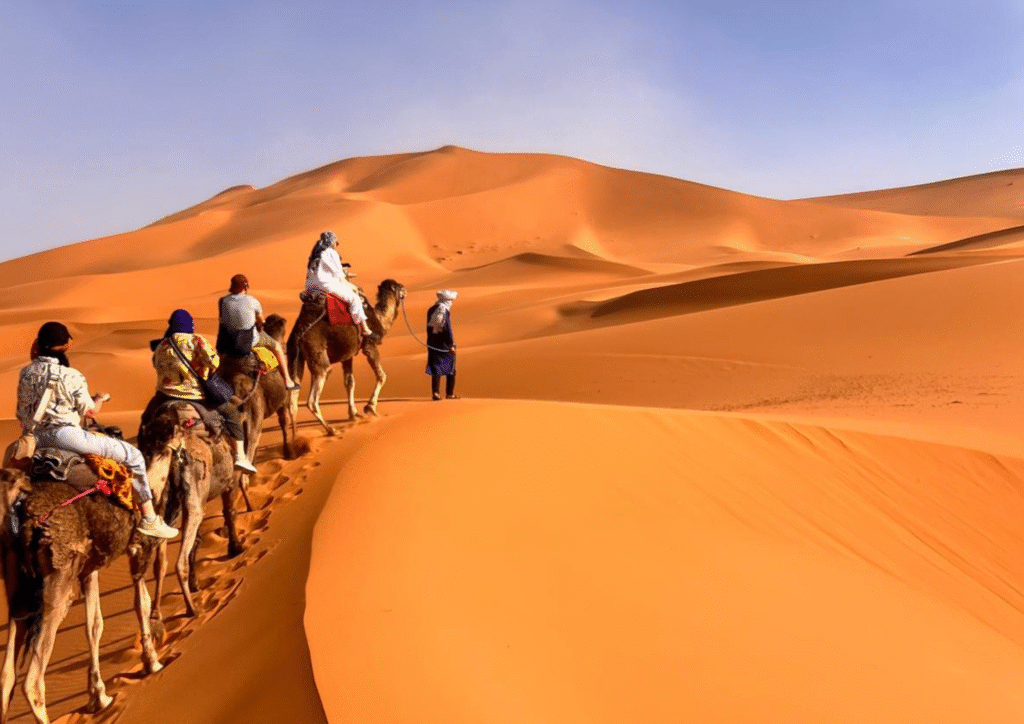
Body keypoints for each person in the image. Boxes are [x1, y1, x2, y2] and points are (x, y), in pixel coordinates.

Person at [16, 322, 178, 539]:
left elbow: (23, 410)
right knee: (134, 456)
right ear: (67, 345)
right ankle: (149, 518)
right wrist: (99, 399)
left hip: (34, 439)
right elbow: (90, 411)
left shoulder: (26, 373)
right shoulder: (71, 375)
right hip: (66, 436)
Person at [145, 309, 257, 473]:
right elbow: (214, 363)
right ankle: (241, 457)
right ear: (189, 324)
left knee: (146, 420)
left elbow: (156, 364)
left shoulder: (162, 345)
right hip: (195, 396)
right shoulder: (196, 341)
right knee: (231, 413)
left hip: (165, 396)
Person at [218, 273, 300, 390]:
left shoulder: (224, 302)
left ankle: (217, 378)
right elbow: (261, 321)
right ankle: (287, 380)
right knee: (277, 347)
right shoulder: (252, 301)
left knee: (220, 360)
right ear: (245, 287)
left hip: (229, 342)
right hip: (249, 340)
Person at [304, 231, 381, 343]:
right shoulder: (331, 252)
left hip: (310, 286)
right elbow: (339, 275)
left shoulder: (316, 254)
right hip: (325, 285)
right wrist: (352, 286)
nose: (336, 245)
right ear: (332, 242)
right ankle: (365, 330)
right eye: (336, 243)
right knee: (354, 298)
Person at [425, 290, 459, 400]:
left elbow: (429, 327)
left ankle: (436, 393)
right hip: (444, 344)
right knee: (451, 368)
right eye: (450, 300)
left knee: (436, 367)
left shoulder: (431, 309)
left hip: (432, 342)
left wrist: (429, 341)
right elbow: (447, 328)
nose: (451, 302)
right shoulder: (444, 310)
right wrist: (451, 344)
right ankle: (450, 393)